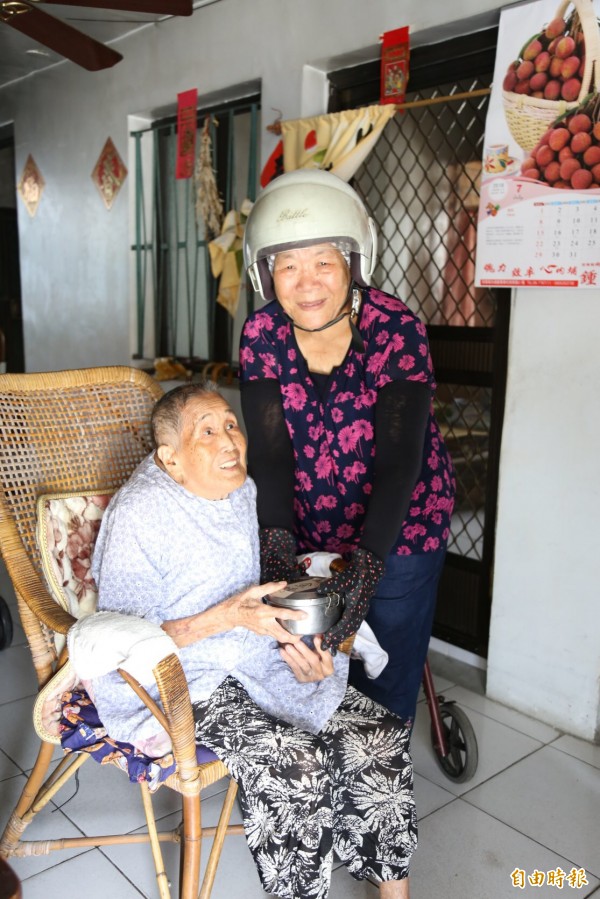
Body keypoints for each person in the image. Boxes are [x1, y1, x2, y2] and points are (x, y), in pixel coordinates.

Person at [91, 382, 416, 899]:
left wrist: (315, 653)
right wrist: (227, 618)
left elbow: (256, 600)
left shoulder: (240, 489)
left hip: (247, 654)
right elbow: (127, 641)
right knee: (298, 764)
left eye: (231, 425)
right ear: (170, 459)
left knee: (377, 734)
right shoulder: (142, 513)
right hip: (179, 677)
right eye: (208, 432)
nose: (229, 442)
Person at [239, 169, 456, 725]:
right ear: (264, 273)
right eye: (287, 265)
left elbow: (400, 464)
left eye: (323, 263)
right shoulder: (262, 335)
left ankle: (378, 793)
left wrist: (364, 576)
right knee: (311, 669)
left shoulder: (395, 330)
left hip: (400, 525)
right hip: (311, 523)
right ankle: (322, 788)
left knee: (384, 678)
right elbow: (270, 455)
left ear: (354, 264)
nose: (305, 282)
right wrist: (279, 550)